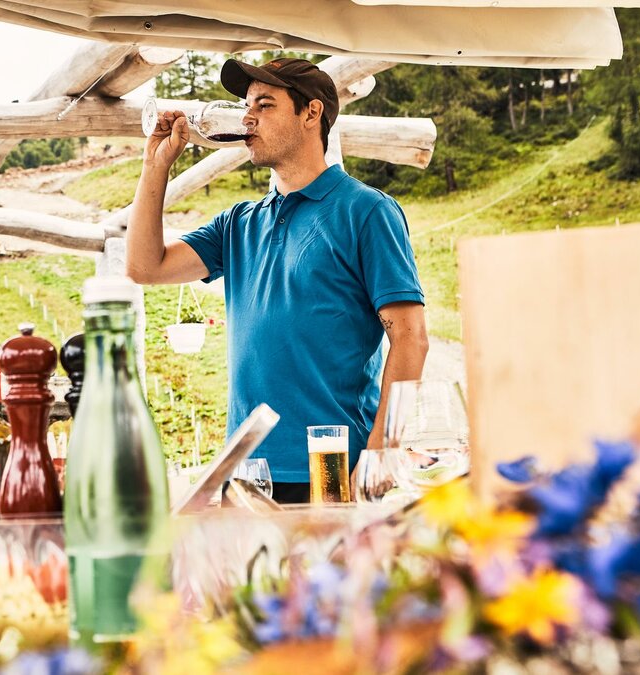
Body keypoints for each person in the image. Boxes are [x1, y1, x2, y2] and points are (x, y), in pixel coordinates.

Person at [126, 57, 429, 504]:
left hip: (332, 466)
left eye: (264, 105)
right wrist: (155, 166)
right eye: (246, 106)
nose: (248, 118)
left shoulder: (366, 211)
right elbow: (144, 267)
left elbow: (411, 337)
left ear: (311, 113)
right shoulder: (237, 223)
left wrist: (383, 448)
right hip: (245, 473)